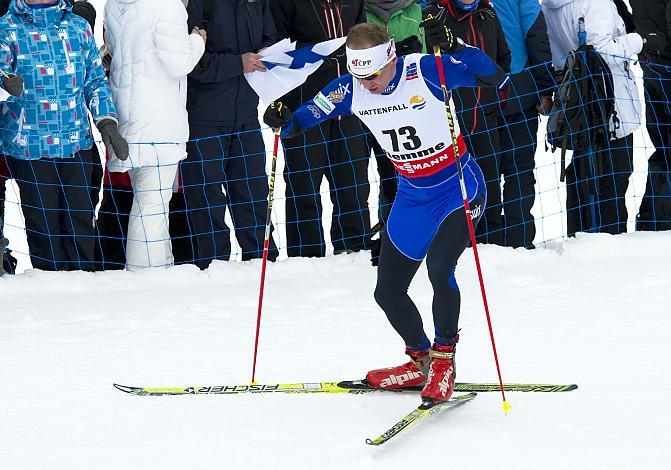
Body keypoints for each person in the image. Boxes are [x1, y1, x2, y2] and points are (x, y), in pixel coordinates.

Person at [264, 22, 504, 403]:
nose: (368, 83)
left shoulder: (424, 69)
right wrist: (282, 118)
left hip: (457, 189)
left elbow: (494, 78)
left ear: (391, 57)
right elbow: (303, 119)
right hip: (412, 197)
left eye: (373, 74)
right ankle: (420, 359)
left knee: (440, 270)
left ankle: (444, 362)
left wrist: (458, 45)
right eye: (360, 74)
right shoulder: (351, 88)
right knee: (388, 292)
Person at [0, 0, 127, 272]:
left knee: (80, 221)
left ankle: (84, 287)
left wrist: (107, 124)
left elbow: (94, 81)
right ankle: (52, 294)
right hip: (30, 147)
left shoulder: (78, 27)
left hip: (76, 144)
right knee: (43, 227)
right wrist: (4, 86)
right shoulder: (7, 28)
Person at [104, 0, 205, 270]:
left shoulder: (114, 4)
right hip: (158, 119)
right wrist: (197, 39)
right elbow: (179, 62)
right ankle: (146, 274)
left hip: (127, 114)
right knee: (152, 205)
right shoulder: (166, 5)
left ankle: (160, 268)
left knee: (148, 201)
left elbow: (113, 51)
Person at [270, 0, 373, 258]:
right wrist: (319, 53)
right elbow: (276, 51)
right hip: (305, 106)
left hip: (349, 105)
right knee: (303, 184)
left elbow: (362, 39)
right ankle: (306, 255)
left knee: (353, 183)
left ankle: (354, 248)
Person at [182, 0, 278, 268]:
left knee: (253, 192)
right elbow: (188, 60)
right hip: (204, 117)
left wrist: (270, 52)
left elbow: (269, 36)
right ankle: (212, 265)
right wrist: (239, 63)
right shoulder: (199, 4)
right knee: (207, 198)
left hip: (246, 114)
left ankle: (262, 262)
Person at [542, 0, 643, 236]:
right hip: (609, 103)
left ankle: (581, 234)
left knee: (585, 172)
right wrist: (637, 40)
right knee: (615, 174)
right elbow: (602, 53)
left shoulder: (549, 5)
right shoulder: (594, 3)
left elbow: (557, 54)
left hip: (576, 104)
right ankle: (610, 239)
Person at [423, 0, 511, 246]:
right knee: (453, 190)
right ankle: (452, 246)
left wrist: (498, 94)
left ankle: (493, 243)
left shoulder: (488, 12)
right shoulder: (434, 13)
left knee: (490, 183)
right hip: (451, 120)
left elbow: (503, 57)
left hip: (486, 116)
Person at [491, 0, 555, 248]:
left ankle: (490, 240)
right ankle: (519, 241)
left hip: (473, 93)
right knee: (519, 171)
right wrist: (544, 87)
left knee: (484, 172)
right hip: (519, 88)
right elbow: (535, 34)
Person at [365, 0, 424, 265]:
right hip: (368, 104)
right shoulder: (360, 10)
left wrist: (414, 51)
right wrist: (395, 51)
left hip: (405, 105)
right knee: (368, 176)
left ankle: (407, 237)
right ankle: (383, 237)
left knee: (403, 173)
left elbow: (422, 58)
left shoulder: (413, 9)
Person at [630, 0, 671, 231]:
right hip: (663, 63)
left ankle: (656, 218)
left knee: (662, 146)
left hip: (652, 64)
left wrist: (639, 37)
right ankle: (660, 220)